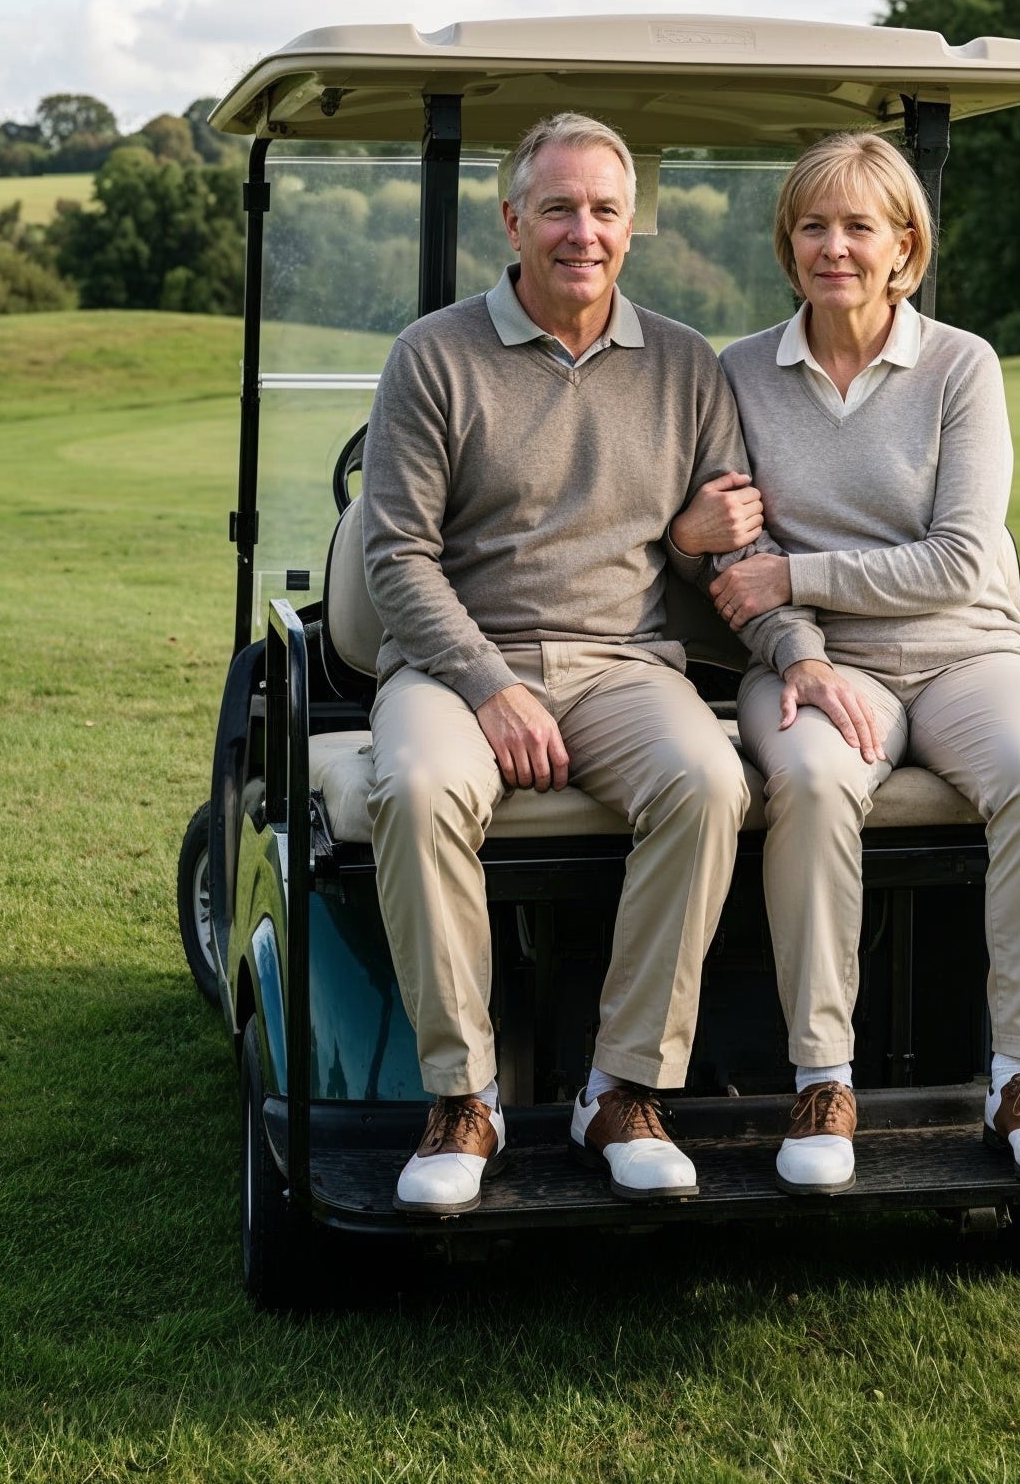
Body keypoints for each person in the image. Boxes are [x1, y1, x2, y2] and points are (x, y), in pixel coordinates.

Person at [358, 111, 819, 1214]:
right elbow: (397, 555)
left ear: (630, 226)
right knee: (416, 788)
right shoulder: (433, 355)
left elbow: (734, 546)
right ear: (511, 219)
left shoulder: (682, 364)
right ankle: (460, 1094)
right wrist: (489, 684)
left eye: (604, 209)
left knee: (707, 780)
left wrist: (797, 651)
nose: (582, 230)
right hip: (459, 665)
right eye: (557, 207)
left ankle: (621, 1088)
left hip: (624, 663)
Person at [709, 132, 1020, 1196]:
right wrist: (790, 618)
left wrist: (797, 575)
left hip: (967, 648)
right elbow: (737, 566)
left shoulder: (960, 364)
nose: (832, 246)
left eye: (857, 227)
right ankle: (821, 1076)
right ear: (788, 245)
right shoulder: (738, 370)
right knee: (815, 778)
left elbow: (958, 559)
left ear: (903, 249)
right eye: (811, 226)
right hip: (816, 664)